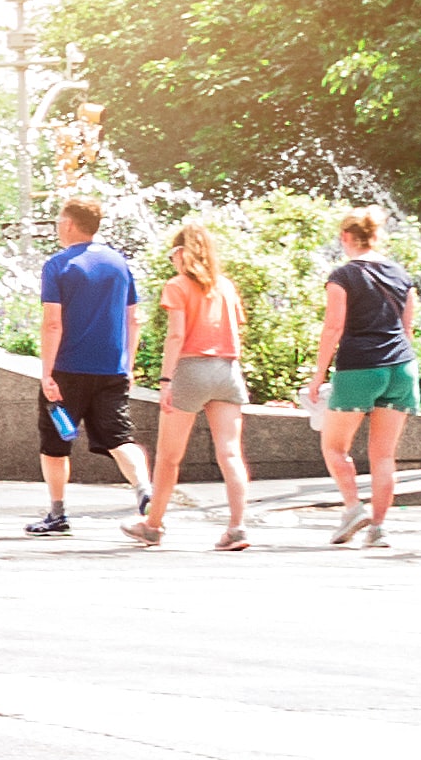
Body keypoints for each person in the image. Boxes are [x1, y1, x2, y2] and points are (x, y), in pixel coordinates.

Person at [126, 219, 256, 551]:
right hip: (227, 370)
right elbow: (236, 329)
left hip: (190, 370)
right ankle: (238, 527)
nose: (172, 259)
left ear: (183, 252)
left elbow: (176, 335)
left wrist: (166, 379)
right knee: (230, 452)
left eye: (173, 253)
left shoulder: (178, 286)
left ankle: (153, 526)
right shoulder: (225, 286)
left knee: (169, 458)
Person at [27, 196, 142, 539]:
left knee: (57, 441)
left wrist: (47, 374)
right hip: (111, 370)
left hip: (67, 372)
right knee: (119, 437)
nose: (58, 226)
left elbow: (52, 324)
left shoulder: (59, 265)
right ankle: (145, 492)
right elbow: (133, 319)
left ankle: (58, 513)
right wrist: (129, 366)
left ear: (70, 224)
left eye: (60, 220)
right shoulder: (119, 263)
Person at [311, 208, 421, 548]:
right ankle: (378, 529)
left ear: (346, 237)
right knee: (384, 455)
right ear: (376, 237)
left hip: (360, 366)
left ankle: (353, 508)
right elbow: (407, 329)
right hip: (402, 368)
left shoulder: (343, 276)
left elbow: (333, 328)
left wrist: (318, 376)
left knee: (334, 447)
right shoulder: (401, 275)